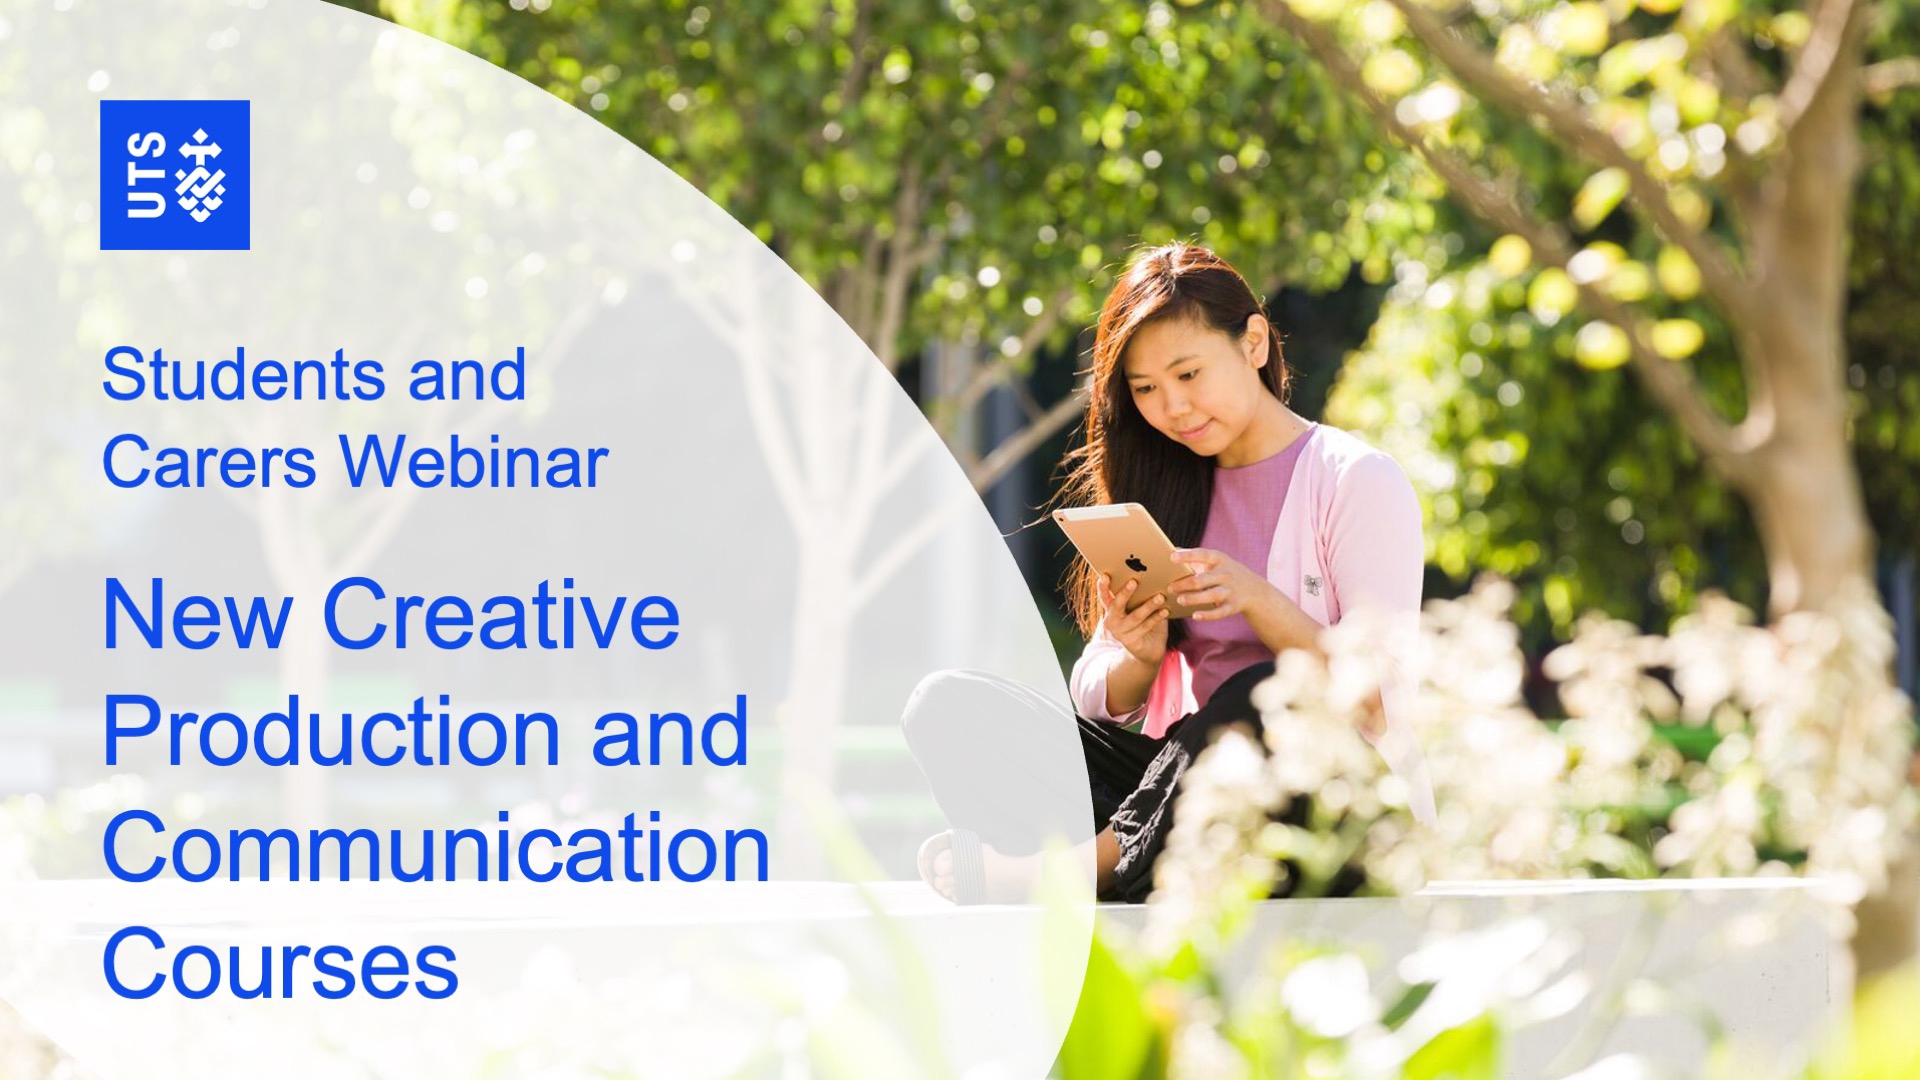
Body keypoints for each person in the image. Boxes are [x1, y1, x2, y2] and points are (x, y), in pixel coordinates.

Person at [905, 242, 1435, 904]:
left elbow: (1380, 695)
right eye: (1146, 389)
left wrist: (1258, 599)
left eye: (1189, 374)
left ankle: (1064, 875)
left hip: (1326, 802)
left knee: (1261, 691)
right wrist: (1140, 658)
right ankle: (1136, 869)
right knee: (948, 708)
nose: (1174, 408)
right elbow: (1096, 697)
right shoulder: (1166, 485)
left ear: (1254, 343)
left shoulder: (1355, 479)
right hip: (1181, 793)